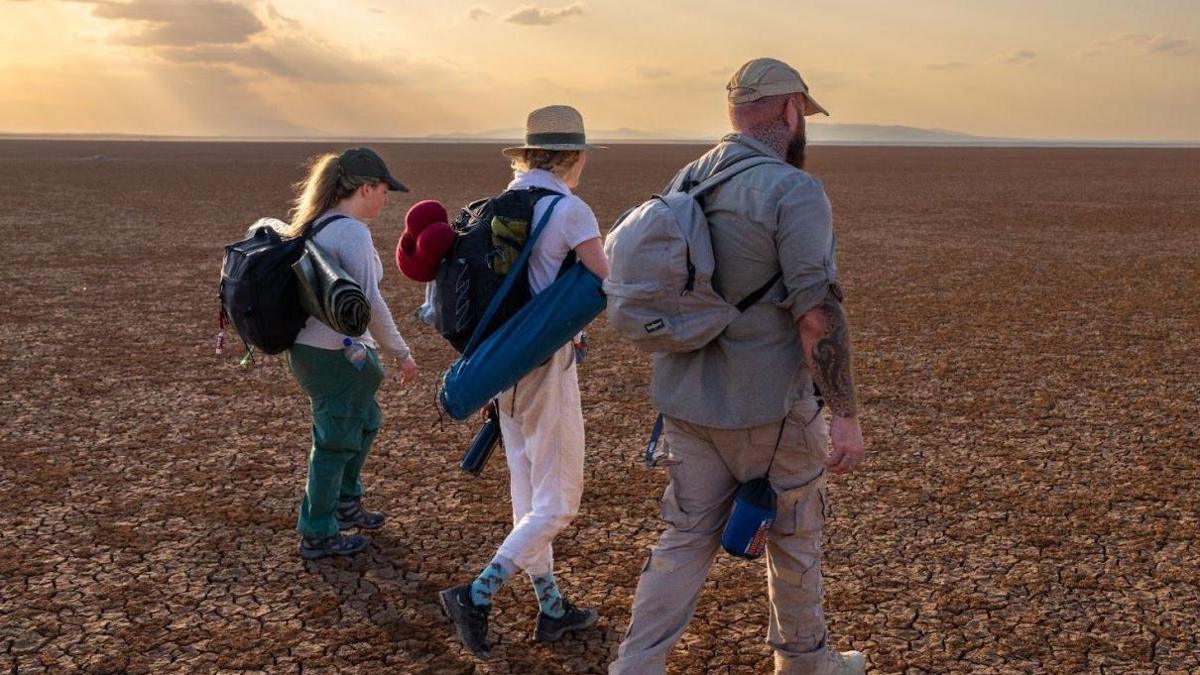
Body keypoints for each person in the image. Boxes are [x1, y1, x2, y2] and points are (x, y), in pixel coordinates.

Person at [610, 58, 868, 675]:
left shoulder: (687, 179)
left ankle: (634, 667)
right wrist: (847, 414)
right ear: (788, 111)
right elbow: (816, 316)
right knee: (795, 538)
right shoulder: (794, 190)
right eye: (802, 114)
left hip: (687, 405)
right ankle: (805, 665)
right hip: (769, 410)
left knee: (683, 540)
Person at [439, 105, 611, 659]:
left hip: (500, 368)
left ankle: (552, 607)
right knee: (558, 502)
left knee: (529, 495)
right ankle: (477, 593)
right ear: (573, 157)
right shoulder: (569, 209)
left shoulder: (497, 208)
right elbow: (610, 280)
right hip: (545, 366)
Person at [285, 147, 419, 561]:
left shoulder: (317, 224)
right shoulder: (351, 233)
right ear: (365, 189)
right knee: (334, 439)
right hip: (334, 354)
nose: (385, 198)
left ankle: (345, 501)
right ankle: (318, 532)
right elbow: (369, 304)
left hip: (312, 350)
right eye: (383, 190)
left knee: (363, 421)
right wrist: (401, 352)